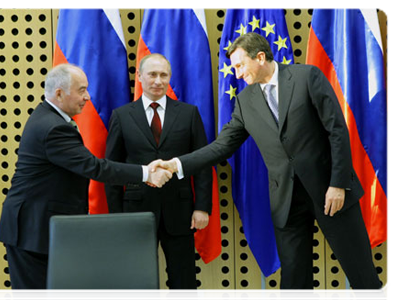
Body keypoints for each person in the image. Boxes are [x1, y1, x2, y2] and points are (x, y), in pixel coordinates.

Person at [152, 33, 385, 300]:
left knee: (361, 272)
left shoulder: (307, 77)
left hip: (330, 192)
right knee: (294, 283)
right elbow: (222, 146)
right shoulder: (245, 101)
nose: (237, 74)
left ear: (260, 57)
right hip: (286, 201)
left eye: (240, 66)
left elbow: (337, 131)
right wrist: (176, 164)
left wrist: (337, 184)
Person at [0, 63, 172, 300]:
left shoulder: (50, 117)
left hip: (39, 228)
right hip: (31, 230)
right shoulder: (54, 128)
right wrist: (147, 173)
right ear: (59, 94)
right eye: (81, 90)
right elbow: (95, 167)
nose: (87, 97)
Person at [104, 53, 212, 299]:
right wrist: (116, 217)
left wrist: (202, 207)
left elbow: (203, 164)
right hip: (135, 213)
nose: (158, 80)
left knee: (183, 281)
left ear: (170, 78)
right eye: (152, 74)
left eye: (163, 75)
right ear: (140, 77)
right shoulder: (122, 115)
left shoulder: (188, 113)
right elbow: (112, 169)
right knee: (136, 280)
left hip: (181, 211)